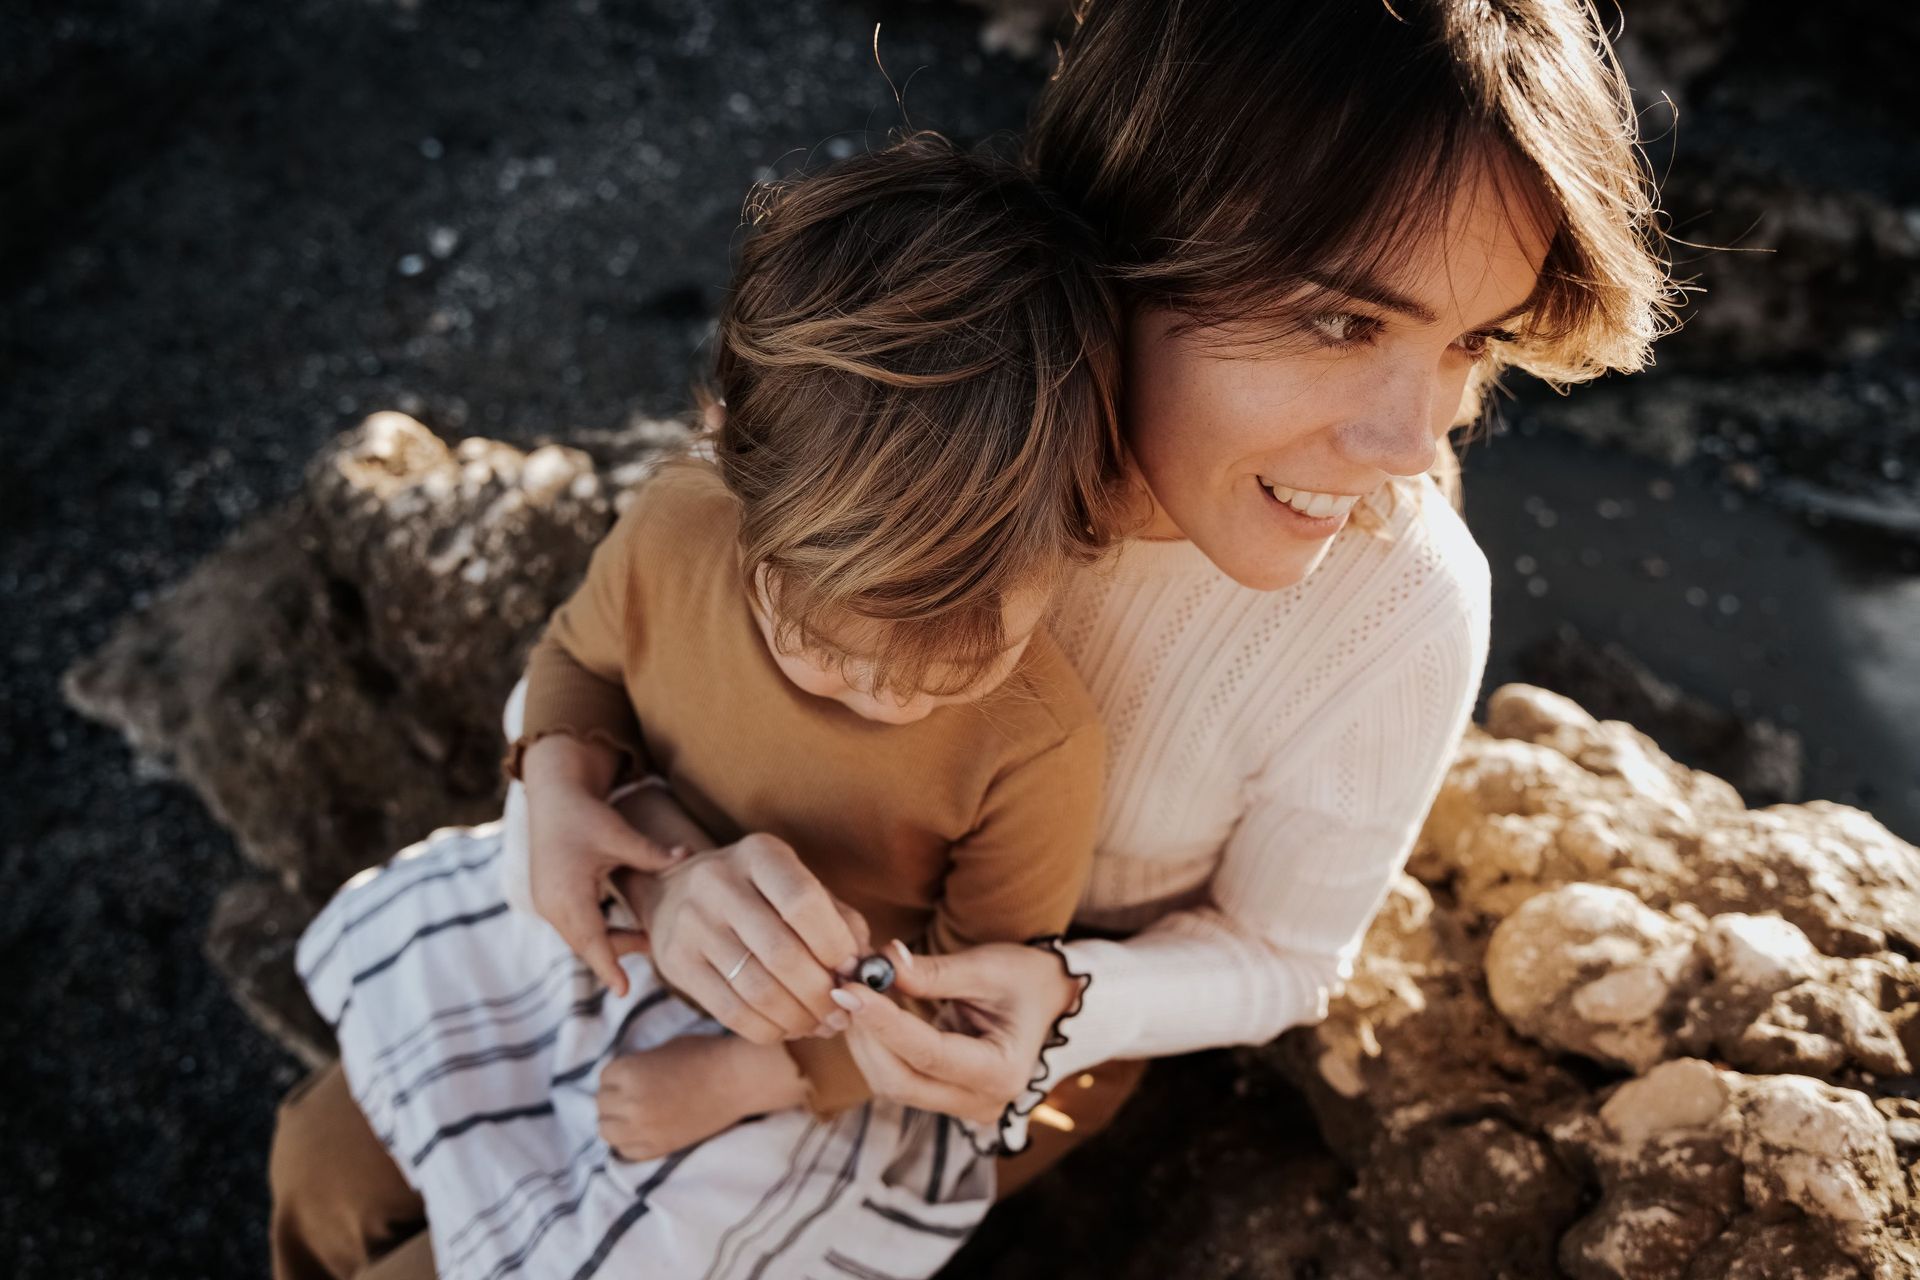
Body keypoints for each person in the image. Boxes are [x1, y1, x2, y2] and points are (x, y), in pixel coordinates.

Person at [270, 0, 1676, 1270]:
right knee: (319, 1173)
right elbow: (648, 619)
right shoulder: (922, 395)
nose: (1406, 441)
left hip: (943, 1031)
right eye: (1337, 316)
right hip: (678, 893)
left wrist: (1066, 998)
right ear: (1134, 224)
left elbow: (1285, 958)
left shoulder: (1403, 608)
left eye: (1473, 342)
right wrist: (579, 802)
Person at [279, 134, 1127, 1279]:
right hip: (618, 920)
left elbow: (965, 984)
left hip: (808, 1056)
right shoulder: (678, 526)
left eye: (951, 670)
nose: (884, 696)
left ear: (1081, 544)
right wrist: (564, 783)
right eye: (821, 646)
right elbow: (580, 660)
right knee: (317, 1163)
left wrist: (753, 1073)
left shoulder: (1037, 742)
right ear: (728, 452)